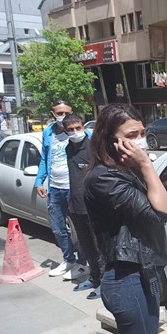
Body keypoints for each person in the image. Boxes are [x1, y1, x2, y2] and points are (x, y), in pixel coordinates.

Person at [84, 104, 167, 334]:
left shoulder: (124, 170)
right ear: (111, 139)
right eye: (132, 135)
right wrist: (146, 165)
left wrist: (142, 166)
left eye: (143, 132)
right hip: (127, 279)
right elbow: (162, 214)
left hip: (144, 273)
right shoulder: (103, 178)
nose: (140, 140)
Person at [35, 100, 87, 280]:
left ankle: (82, 262)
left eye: (67, 113)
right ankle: (68, 259)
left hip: (74, 187)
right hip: (55, 188)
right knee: (58, 227)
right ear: (53, 114)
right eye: (59, 113)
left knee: (80, 228)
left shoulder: (80, 133)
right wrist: (39, 180)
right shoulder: (48, 132)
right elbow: (44, 157)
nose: (63, 116)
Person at [62, 114, 103, 300]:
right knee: (86, 246)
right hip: (75, 206)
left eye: (77, 128)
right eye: (70, 129)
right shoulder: (68, 148)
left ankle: (104, 283)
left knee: (99, 247)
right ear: (65, 131)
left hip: (93, 207)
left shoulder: (93, 148)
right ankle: (94, 277)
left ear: (83, 127)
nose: (75, 132)